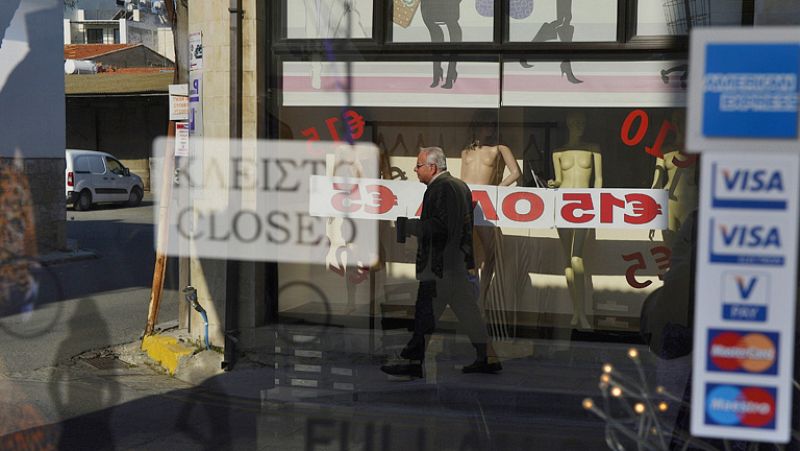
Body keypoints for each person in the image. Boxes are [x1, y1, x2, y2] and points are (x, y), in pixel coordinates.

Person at [381, 147, 501, 378]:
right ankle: (488, 357)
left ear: (432, 167)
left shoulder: (440, 188)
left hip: (439, 266)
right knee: (467, 315)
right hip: (455, 265)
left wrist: (409, 226)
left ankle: (413, 362)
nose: (415, 170)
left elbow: (440, 227)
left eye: (419, 166)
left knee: (425, 315)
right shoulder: (460, 186)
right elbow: (460, 227)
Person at [548, 111, 602, 330]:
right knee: (567, 259)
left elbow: (598, 180)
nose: (579, 125)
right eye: (576, 122)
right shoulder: (558, 152)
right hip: (563, 203)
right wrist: (553, 183)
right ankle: (577, 311)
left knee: (577, 258)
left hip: (584, 205)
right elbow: (559, 179)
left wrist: (598, 206)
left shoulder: (593, 149)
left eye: (582, 122)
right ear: (568, 124)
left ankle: (582, 312)